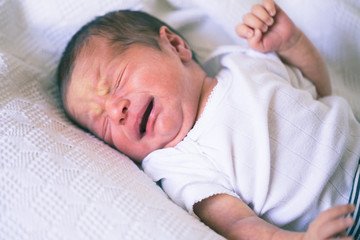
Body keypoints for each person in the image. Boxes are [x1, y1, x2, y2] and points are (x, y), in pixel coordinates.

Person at [57, 0, 360, 239]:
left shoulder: (243, 62)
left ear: (175, 46)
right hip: (344, 217)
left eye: (117, 80)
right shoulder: (176, 165)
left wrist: (292, 43)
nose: (115, 111)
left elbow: (317, 91)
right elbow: (238, 224)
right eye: (104, 126)